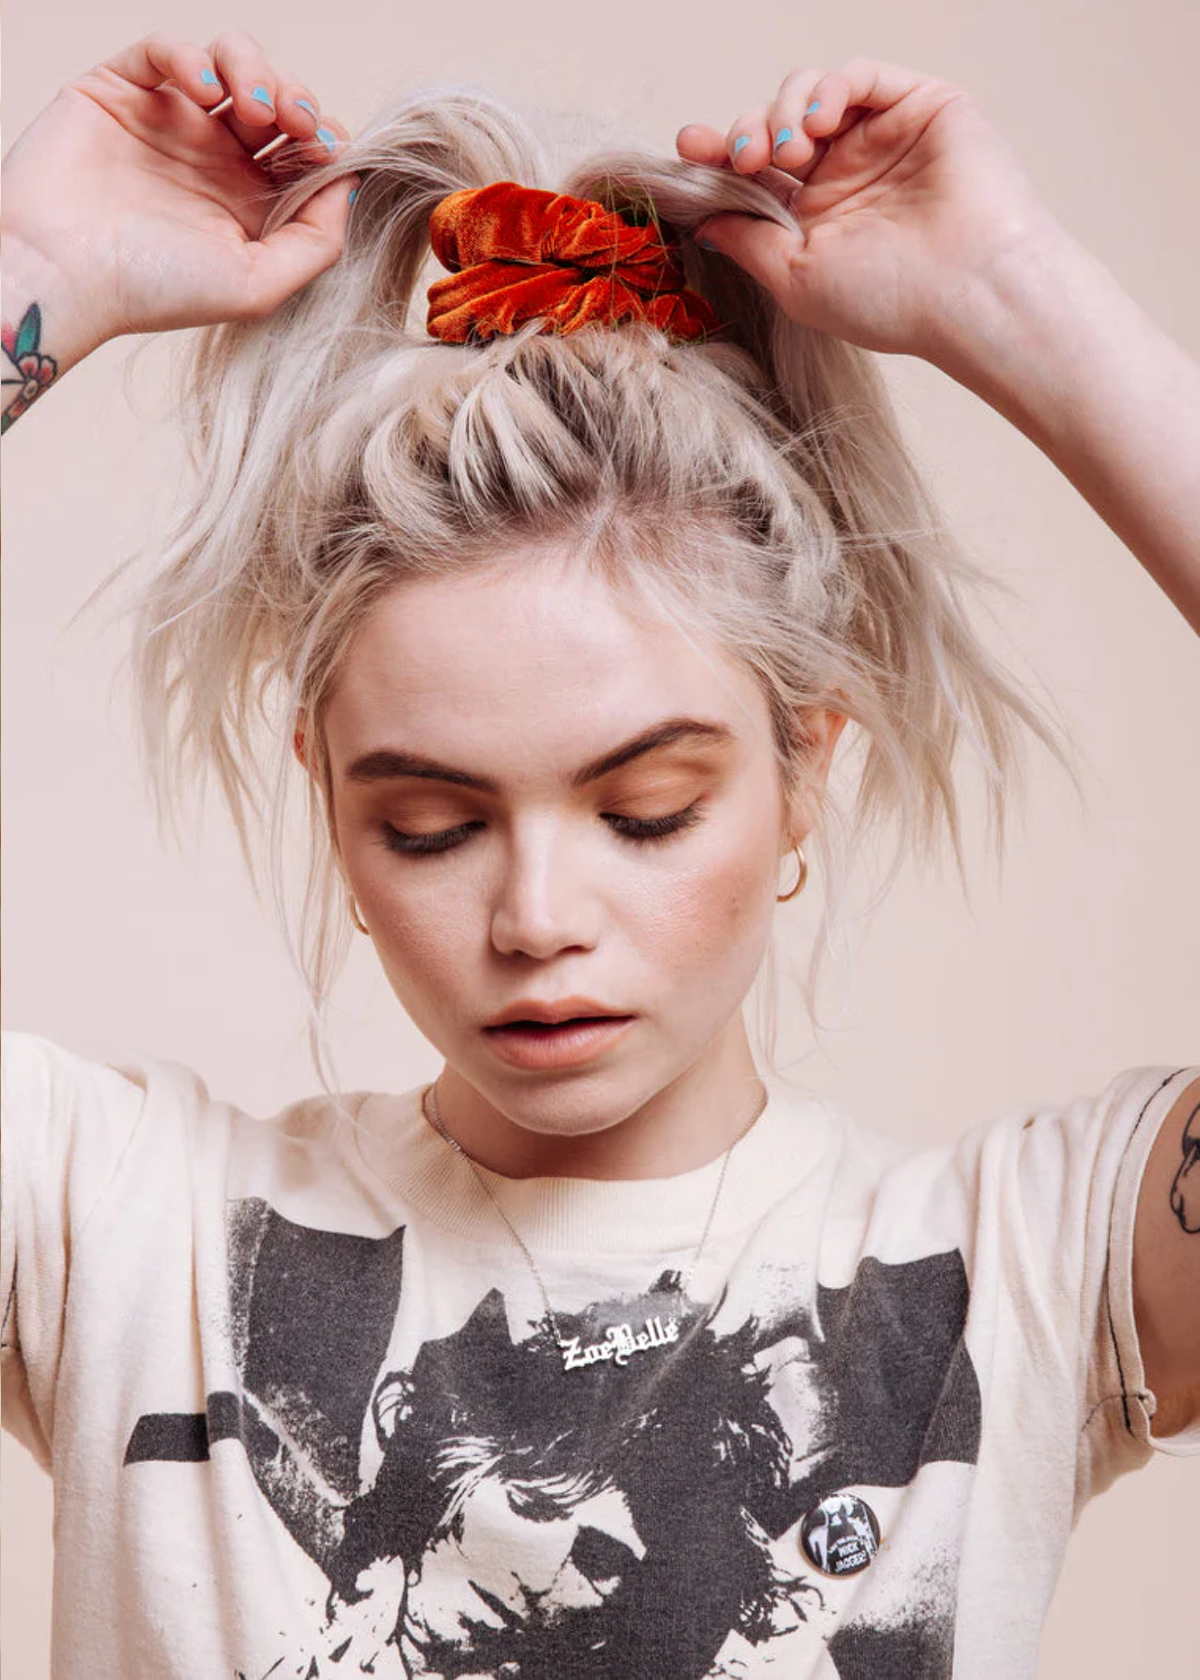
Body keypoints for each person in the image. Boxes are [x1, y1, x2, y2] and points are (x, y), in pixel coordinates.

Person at [2, 26, 1197, 1680]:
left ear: (804, 768)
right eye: (427, 824)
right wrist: (32, 270)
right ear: (328, 799)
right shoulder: (116, 1226)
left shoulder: (1011, 1273)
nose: (535, 918)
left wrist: (1021, 302)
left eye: (647, 813)